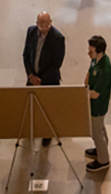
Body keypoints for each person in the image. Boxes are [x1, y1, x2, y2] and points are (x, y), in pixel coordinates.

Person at [23, 12, 66, 146]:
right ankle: (32, 128)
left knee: (48, 107)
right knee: (30, 104)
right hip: (32, 77)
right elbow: (26, 54)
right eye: (41, 24)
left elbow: (56, 63)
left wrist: (39, 79)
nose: (43, 27)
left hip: (48, 79)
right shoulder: (31, 32)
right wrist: (30, 75)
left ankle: (47, 133)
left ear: (50, 23)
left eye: (46, 24)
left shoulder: (57, 38)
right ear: (36, 23)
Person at [85, 35, 111, 173]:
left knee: (96, 132)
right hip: (93, 103)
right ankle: (101, 148)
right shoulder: (96, 60)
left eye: (91, 52)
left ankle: (103, 160)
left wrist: (81, 94)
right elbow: (89, 73)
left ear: (100, 52)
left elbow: (96, 94)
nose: (88, 54)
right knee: (99, 128)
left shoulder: (105, 70)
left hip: (98, 105)